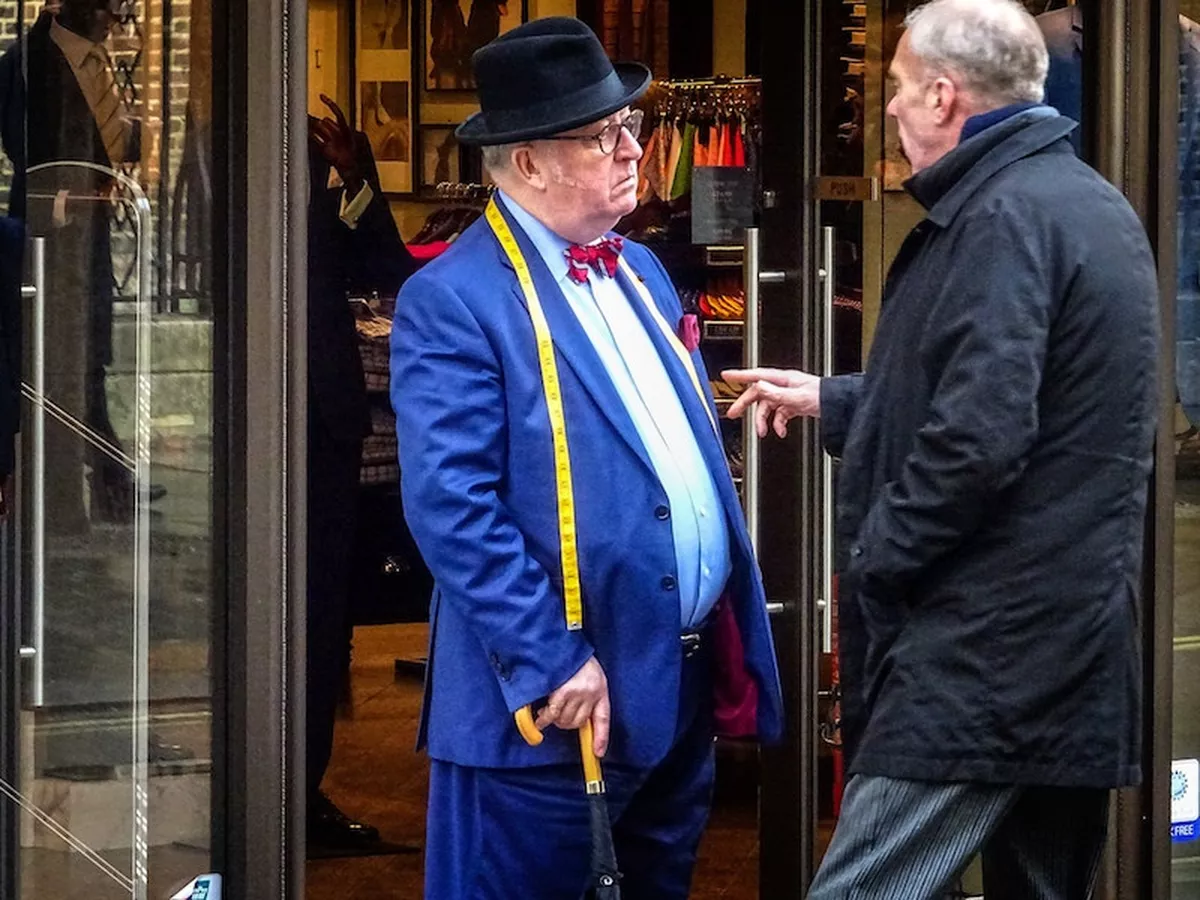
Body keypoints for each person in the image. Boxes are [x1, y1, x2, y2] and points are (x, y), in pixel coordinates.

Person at [725, 1, 1158, 897]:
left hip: (982, 656)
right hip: (1056, 647)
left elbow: (978, 440)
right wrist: (839, 401)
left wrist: (877, 562)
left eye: (893, 88)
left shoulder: (1000, 218)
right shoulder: (1080, 202)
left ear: (942, 94)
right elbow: (1019, 403)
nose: (885, 109)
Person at [390, 18, 782, 899]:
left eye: (628, 126)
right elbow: (454, 506)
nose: (633, 149)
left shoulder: (638, 268)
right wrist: (550, 658)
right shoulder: (453, 299)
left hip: (670, 695)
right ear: (528, 163)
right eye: (602, 134)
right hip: (558, 708)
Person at [306, 93, 416, 851]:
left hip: (327, 427)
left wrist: (355, 174)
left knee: (324, 621)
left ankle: (302, 791)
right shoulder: (226, 192)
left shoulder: (323, 197)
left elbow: (385, 264)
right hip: (263, 428)